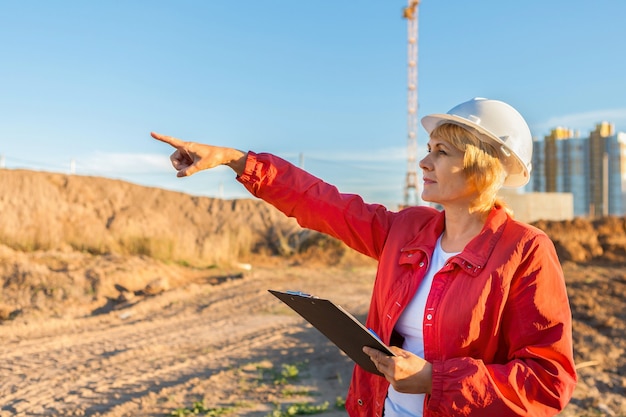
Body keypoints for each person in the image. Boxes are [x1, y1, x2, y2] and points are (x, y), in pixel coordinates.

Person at [152, 97, 577, 417]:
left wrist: (435, 380)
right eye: (428, 148)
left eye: (441, 152)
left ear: (483, 167)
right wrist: (235, 160)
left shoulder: (525, 251)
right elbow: (324, 204)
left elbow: (547, 382)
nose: (424, 162)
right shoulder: (408, 229)